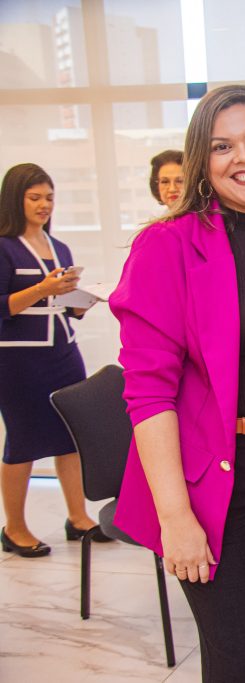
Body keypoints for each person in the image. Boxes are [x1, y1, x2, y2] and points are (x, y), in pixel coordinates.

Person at [108, 85, 245, 682]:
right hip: (216, 494)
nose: (244, 156)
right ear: (202, 163)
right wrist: (176, 518)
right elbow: (149, 394)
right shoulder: (167, 246)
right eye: (221, 146)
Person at [0, 162, 109, 558]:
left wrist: (80, 303)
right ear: (15, 198)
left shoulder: (58, 247)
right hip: (18, 362)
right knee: (24, 443)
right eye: (35, 197)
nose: (44, 204)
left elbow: (61, 306)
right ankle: (14, 528)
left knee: (70, 439)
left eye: (49, 197)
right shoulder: (4, 246)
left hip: (63, 353)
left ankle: (78, 517)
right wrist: (43, 288)